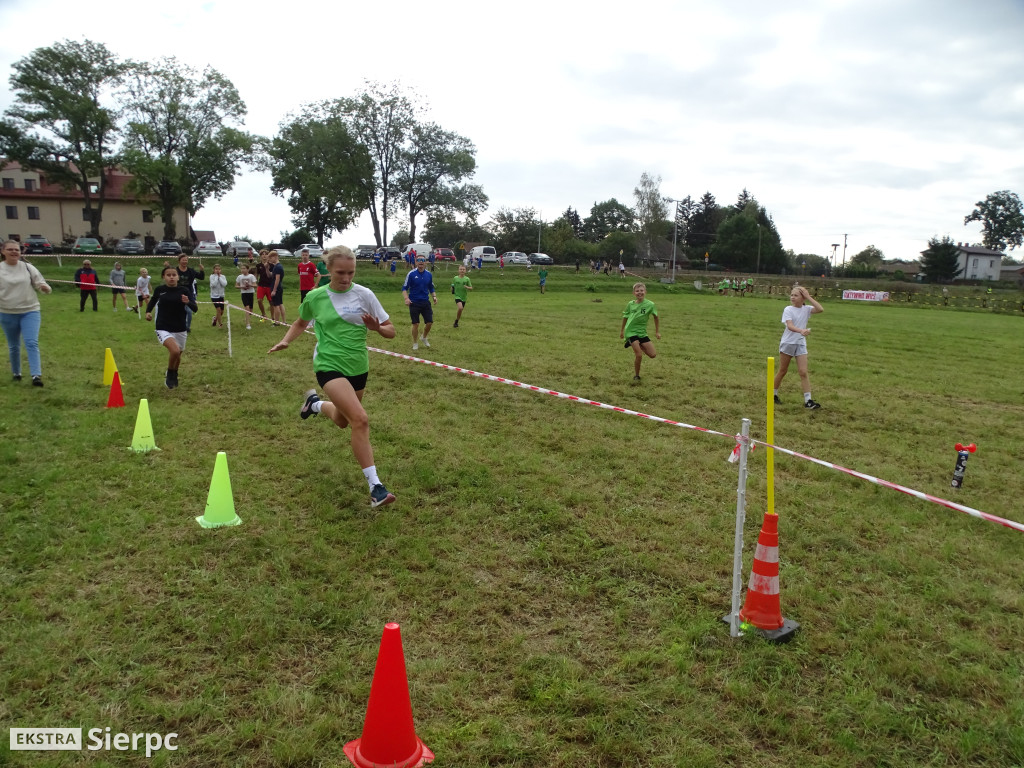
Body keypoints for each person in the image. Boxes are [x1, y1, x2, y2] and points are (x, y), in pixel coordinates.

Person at [269, 246, 397, 508]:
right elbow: (300, 323)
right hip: (328, 365)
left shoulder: (365, 294)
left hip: (358, 366)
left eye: (351, 272)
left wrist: (377, 328)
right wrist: (285, 341)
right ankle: (376, 488)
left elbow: (391, 331)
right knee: (360, 420)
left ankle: (314, 405)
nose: (346, 277)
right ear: (328, 270)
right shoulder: (316, 297)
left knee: (342, 420)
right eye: (340, 272)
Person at [0, 239, 51, 386]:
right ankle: (17, 373)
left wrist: (44, 287)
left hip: (30, 311)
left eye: (17, 249)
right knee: (14, 345)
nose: (14, 252)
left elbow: (41, 283)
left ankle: (36, 375)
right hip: (6, 312)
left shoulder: (28, 268)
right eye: (10, 249)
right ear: (3, 251)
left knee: (31, 342)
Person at [145, 265, 198, 389]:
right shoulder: (160, 290)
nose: (171, 277)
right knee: (174, 351)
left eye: (174, 275)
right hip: (163, 326)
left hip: (180, 327)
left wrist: (187, 302)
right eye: (168, 275)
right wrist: (148, 312)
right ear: (164, 277)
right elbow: (153, 301)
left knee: (178, 355)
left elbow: (195, 308)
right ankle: (169, 373)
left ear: (178, 277)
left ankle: (174, 373)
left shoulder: (184, 290)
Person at [773, 285, 824, 409]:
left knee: (803, 372)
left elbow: (820, 309)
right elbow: (789, 326)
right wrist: (801, 330)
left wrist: (808, 296)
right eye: (791, 295)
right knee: (783, 370)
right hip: (788, 343)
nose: (792, 297)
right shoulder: (788, 309)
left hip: (800, 343)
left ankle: (808, 401)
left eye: (796, 295)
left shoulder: (807, 309)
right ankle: (772, 394)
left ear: (803, 298)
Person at [619, 281, 660, 382]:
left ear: (645, 292)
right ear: (634, 293)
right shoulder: (630, 304)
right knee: (639, 355)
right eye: (637, 291)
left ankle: (637, 344)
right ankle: (637, 376)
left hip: (642, 332)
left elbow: (656, 317)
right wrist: (622, 331)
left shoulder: (650, 304)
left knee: (653, 355)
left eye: (641, 290)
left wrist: (657, 332)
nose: (639, 292)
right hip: (631, 332)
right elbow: (625, 316)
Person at [402, 253, 437, 350]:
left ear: (426, 263)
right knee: (415, 324)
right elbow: (404, 288)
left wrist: (434, 296)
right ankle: (415, 342)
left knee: (429, 322)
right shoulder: (411, 274)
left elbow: (431, 287)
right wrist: (406, 299)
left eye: (423, 260)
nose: (421, 262)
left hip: (425, 302)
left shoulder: (429, 274)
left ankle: (424, 337)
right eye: (419, 260)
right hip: (414, 302)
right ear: (416, 262)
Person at [175, 254, 205, 332]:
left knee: (189, 311)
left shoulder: (191, 271)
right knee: (178, 311)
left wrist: (202, 270)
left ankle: (187, 327)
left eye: (186, 260)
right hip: (177, 292)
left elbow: (201, 277)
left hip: (188, 293)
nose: (185, 261)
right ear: (179, 261)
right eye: (183, 260)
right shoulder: (175, 270)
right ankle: (178, 325)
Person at [235, 263, 257, 329]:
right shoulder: (239, 277)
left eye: (244, 268)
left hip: (250, 293)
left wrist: (250, 285)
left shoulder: (251, 276)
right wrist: (242, 287)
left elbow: (255, 285)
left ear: (248, 269)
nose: (242, 270)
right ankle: (248, 324)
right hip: (244, 293)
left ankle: (247, 318)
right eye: (241, 268)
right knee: (246, 308)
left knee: (250, 310)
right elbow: (236, 285)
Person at [255, 250, 274, 320]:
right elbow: (256, 275)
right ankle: (263, 314)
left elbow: (274, 275)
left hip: (269, 285)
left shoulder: (271, 265)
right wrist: (255, 283)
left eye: (266, 254)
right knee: (259, 300)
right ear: (260, 256)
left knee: (271, 302)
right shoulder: (258, 265)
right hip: (261, 285)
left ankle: (273, 317)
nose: (264, 256)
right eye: (262, 254)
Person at [269, 250, 286, 323]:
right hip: (279, 287)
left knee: (276, 305)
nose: (269, 259)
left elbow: (277, 279)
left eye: (270, 258)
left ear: (275, 257)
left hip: (276, 287)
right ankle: (284, 321)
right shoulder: (277, 266)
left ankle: (277, 321)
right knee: (280, 303)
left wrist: (274, 290)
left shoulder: (278, 267)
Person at [208, 263, 228, 327]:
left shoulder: (223, 276)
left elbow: (224, 284)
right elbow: (213, 284)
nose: (217, 270)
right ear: (213, 270)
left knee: (221, 311)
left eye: (219, 269)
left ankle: (215, 319)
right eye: (216, 269)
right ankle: (220, 324)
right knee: (218, 310)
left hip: (221, 296)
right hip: (214, 296)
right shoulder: (212, 276)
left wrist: (220, 277)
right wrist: (216, 277)